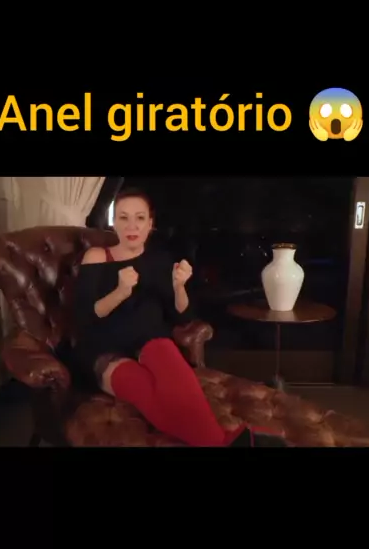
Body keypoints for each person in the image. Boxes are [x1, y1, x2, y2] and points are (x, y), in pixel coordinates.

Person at [72, 187, 259, 447]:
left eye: (139, 218)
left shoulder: (160, 260)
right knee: (148, 393)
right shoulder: (97, 256)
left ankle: (222, 441)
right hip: (107, 350)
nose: (131, 226)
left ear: (150, 224)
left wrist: (179, 286)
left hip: (153, 342)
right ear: (114, 223)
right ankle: (228, 441)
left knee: (174, 378)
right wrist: (120, 292)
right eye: (123, 217)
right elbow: (84, 316)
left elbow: (182, 317)